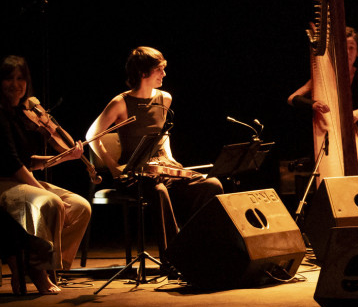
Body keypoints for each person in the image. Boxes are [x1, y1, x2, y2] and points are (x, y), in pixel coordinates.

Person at [93, 47, 222, 247]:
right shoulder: (121, 103)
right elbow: (92, 135)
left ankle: (197, 243)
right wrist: (112, 167)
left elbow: (164, 134)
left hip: (161, 169)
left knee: (211, 184)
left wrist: (170, 159)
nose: (164, 74)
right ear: (143, 73)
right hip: (133, 175)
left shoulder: (165, 98)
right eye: (159, 69)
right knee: (159, 190)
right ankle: (172, 255)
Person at [1, 55, 91, 292]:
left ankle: (41, 263)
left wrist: (63, 157)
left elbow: (28, 161)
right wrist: (40, 189)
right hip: (3, 181)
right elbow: (12, 164)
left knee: (81, 207)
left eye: (21, 78)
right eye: (9, 78)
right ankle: (39, 271)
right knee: (50, 201)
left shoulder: (19, 114)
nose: (16, 84)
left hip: (18, 177)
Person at [288, 26, 358, 171]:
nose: (347, 52)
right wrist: (313, 104)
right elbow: (291, 98)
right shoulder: (322, 77)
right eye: (344, 48)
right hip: (328, 140)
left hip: (357, 140)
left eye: (352, 48)